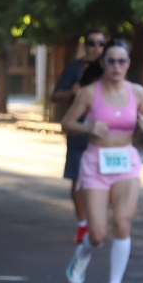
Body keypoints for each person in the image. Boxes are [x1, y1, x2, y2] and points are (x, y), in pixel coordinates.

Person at [61, 39, 143, 283]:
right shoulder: (89, 93)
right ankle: (83, 255)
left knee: (123, 223)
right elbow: (66, 123)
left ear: (128, 64)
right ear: (103, 64)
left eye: (121, 61)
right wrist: (88, 128)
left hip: (126, 162)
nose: (116, 66)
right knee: (98, 234)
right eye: (111, 61)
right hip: (96, 164)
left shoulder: (137, 92)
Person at [51, 30, 106, 242]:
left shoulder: (110, 68)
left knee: (106, 179)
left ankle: (97, 220)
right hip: (79, 130)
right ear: (85, 45)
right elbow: (55, 95)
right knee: (78, 179)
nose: (97, 48)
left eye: (101, 44)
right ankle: (83, 224)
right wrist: (72, 92)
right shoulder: (74, 68)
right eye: (92, 43)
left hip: (105, 133)